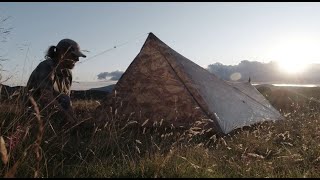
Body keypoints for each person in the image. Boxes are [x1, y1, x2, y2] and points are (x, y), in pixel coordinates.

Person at [24, 38, 86, 124]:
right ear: (62, 53)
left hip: (53, 112)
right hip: (35, 113)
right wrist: (67, 118)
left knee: (65, 99)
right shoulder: (46, 66)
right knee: (63, 99)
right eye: (74, 56)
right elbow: (46, 97)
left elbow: (67, 101)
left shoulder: (68, 73)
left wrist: (74, 120)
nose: (77, 60)